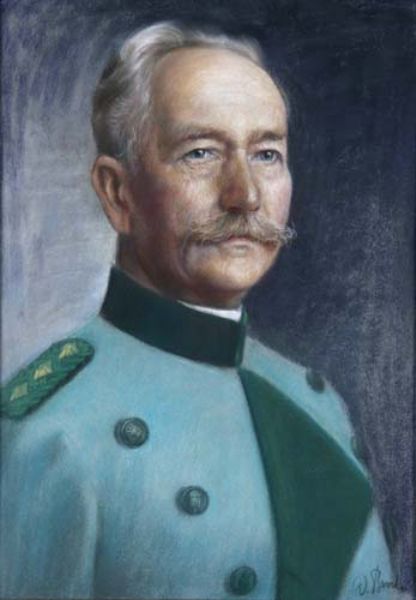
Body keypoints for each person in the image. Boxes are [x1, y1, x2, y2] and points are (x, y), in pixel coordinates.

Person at [0, 21, 394, 600]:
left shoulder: (315, 406)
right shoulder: (48, 432)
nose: (245, 195)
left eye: (266, 154)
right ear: (117, 193)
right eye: (200, 153)